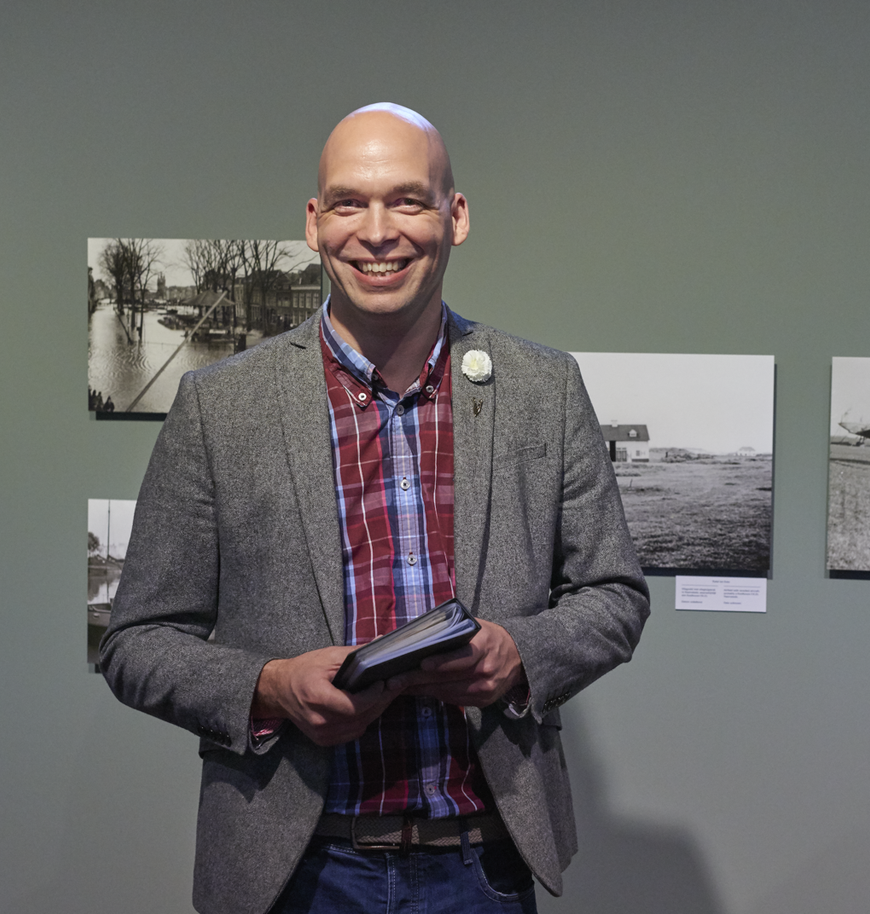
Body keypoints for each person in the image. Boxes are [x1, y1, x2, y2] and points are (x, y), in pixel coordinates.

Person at [100, 103, 650, 914]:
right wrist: (272, 685)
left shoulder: (543, 389)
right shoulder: (220, 405)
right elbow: (137, 642)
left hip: (484, 867)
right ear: (315, 224)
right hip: (296, 872)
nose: (378, 231)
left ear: (454, 217)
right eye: (350, 203)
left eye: (408, 200)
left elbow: (616, 594)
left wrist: (519, 655)